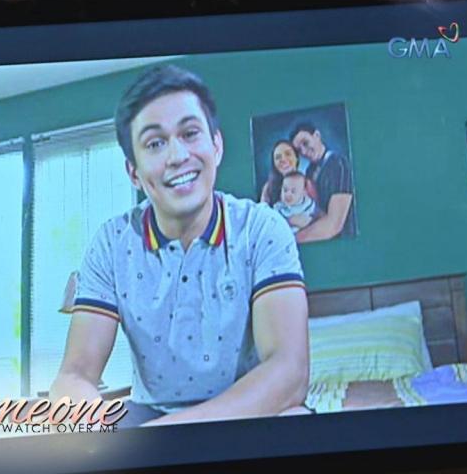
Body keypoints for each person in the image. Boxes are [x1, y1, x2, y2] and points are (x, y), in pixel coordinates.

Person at [51, 64, 309, 428]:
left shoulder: (262, 228)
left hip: (248, 410)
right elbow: (74, 375)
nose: (177, 156)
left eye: (190, 134)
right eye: (155, 143)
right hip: (149, 413)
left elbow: (289, 371)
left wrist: (170, 437)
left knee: (297, 420)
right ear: (134, 172)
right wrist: (93, 429)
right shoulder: (111, 244)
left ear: (216, 146)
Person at [290, 122, 355, 242]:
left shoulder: (338, 163)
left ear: (317, 135)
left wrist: (291, 240)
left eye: (305, 143)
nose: (303, 152)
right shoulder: (310, 171)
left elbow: (334, 224)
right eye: (299, 150)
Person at [260, 140, 300, 206]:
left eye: (288, 154)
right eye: (278, 157)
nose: (283, 159)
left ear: (296, 158)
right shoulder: (268, 187)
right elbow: (262, 211)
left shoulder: (307, 184)